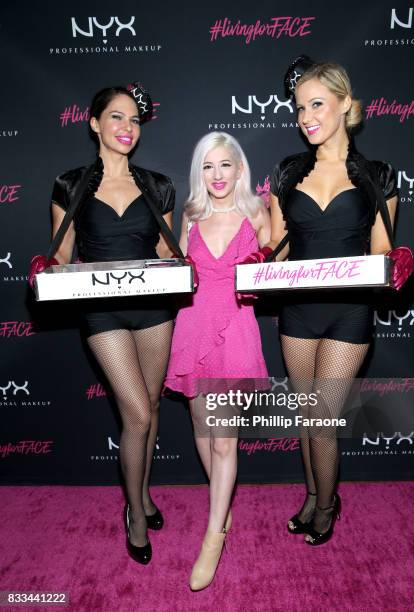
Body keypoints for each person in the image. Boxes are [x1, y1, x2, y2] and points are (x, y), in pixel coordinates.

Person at [248, 56, 412, 546]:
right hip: (297, 312)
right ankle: (312, 495)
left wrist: (396, 262)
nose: (306, 116)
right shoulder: (285, 172)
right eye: (300, 108)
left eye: (317, 103)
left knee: (322, 417)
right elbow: (278, 246)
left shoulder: (377, 174)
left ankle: (325, 506)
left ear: (345, 104)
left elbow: (382, 249)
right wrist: (260, 262)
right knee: (306, 417)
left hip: (350, 312)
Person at [29, 84, 177, 564]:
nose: (127, 128)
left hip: (154, 308)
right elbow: (64, 253)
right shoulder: (70, 184)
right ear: (93, 123)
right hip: (102, 311)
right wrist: (45, 267)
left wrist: (183, 259)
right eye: (116, 118)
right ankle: (134, 513)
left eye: (134, 120)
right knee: (135, 414)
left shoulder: (157, 185)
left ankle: (145, 493)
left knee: (151, 408)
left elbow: (164, 254)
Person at [164, 132, 270, 590]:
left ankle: (213, 536)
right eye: (208, 166)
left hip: (237, 331)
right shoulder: (187, 217)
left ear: (240, 169)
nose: (217, 175)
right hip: (192, 329)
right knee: (203, 436)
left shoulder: (257, 213)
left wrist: (261, 264)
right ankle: (223, 510)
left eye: (225, 165)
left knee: (225, 441)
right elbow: (167, 269)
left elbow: (277, 268)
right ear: (198, 173)